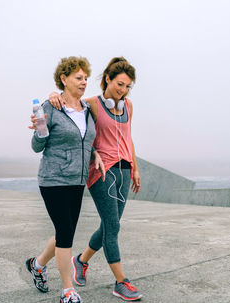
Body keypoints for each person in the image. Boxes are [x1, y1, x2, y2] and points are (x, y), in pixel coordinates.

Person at [49, 57, 142, 301]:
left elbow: (129, 137)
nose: (122, 90)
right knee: (113, 226)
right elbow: (69, 103)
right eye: (119, 84)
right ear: (108, 79)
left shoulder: (129, 106)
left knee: (110, 225)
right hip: (101, 172)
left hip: (124, 171)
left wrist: (135, 168)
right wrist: (52, 95)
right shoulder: (92, 104)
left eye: (127, 87)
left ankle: (81, 261)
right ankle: (121, 282)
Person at [27, 56, 105, 303]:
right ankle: (68, 290)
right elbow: (36, 146)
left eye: (85, 78)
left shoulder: (87, 111)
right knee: (65, 232)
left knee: (66, 232)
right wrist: (40, 130)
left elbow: (85, 140)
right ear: (64, 79)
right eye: (78, 78)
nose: (83, 82)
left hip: (77, 181)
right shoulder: (50, 107)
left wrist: (95, 154)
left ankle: (37, 265)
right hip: (53, 180)